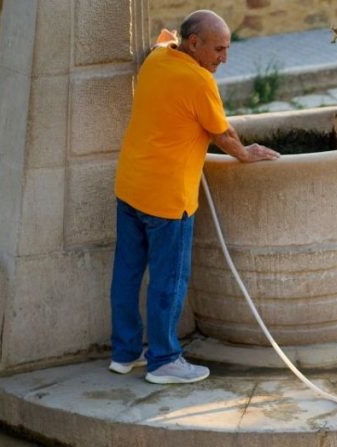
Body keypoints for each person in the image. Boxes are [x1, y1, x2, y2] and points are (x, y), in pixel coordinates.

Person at [109, 10, 279, 384]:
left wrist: (173, 38)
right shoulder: (199, 81)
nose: (224, 58)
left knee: (127, 273)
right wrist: (246, 154)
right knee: (169, 281)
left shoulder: (157, 59)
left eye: (228, 48)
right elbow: (224, 134)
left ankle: (124, 354)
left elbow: (163, 37)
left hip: (131, 187)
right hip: (168, 200)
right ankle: (164, 360)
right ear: (194, 44)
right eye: (218, 49)